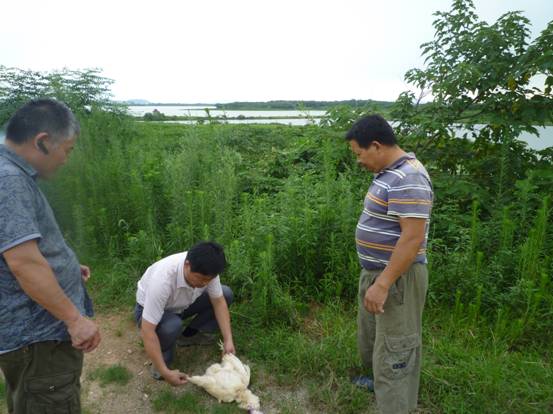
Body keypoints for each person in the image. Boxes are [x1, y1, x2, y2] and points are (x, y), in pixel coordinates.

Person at [0, 99, 101, 414]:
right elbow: (23, 263)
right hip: (39, 338)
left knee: (28, 400)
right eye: (67, 150)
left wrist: (66, 266)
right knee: (47, 402)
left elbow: (20, 248)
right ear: (42, 141)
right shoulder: (9, 181)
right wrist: (74, 320)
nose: (66, 160)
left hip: (35, 336)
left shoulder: (11, 173)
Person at [346, 115, 433, 414]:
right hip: (379, 274)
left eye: (359, 153)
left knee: (397, 347)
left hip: (397, 278)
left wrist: (383, 283)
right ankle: (379, 383)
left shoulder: (409, 177)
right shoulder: (389, 173)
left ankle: (396, 405)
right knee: (375, 339)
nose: (359, 161)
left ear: (376, 145)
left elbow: (412, 238)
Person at [134, 241, 235, 386]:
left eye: (208, 280)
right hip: (149, 310)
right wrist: (165, 372)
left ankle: (189, 336)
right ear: (187, 265)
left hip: (182, 304)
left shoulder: (207, 270)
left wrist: (228, 340)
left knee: (225, 294)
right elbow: (147, 330)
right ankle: (161, 361)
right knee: (172, 326)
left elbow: (219, 302)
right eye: (201, 278)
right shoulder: (163, 280)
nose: (204, 283)